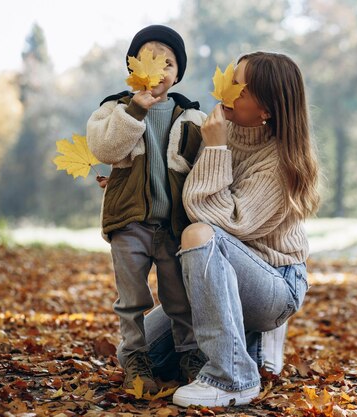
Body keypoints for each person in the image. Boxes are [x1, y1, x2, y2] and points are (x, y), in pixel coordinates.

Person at [142, 51, 321, 408]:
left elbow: (214, 219)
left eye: (239, 84)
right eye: (230, 77)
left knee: (200, 235)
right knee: (140, 354)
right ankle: (247, 339)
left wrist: (216, 148)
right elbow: (184, 190)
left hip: (273, 281)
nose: (227, 88)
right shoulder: (222, 131)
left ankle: (233, 377)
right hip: (220, 273)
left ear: (266, 109)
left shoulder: (279, 166)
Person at [86, 24, 206, 394]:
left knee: (179, 297)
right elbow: (105, 150)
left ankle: (189, 354)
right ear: (132, 65)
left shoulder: (191, 116)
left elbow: (204, 167)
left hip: (172, 225)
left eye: (168, 63)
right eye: (150, 60)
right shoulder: (114, 108)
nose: (159, 69)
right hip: (129, 223)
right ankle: (134, 357)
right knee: (132, 298)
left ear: (177, 74)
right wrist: (134, 110)